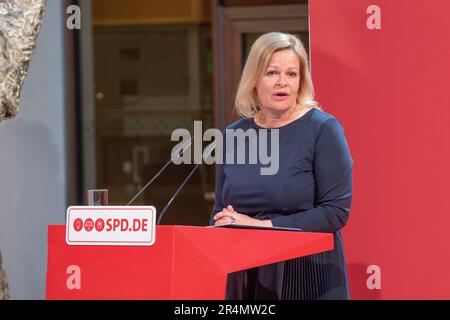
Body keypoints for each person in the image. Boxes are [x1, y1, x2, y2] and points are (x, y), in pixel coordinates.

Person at [210, 32, 353, 300]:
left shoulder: (323, 129)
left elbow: (335, 213)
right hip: (247, 275)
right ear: (254, 79)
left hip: (307, 274)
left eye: (292, 74)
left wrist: (261, 226)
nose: (282, 83)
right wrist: (224, 225)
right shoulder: (233, 135)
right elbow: (219, 210)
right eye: (272, 73)